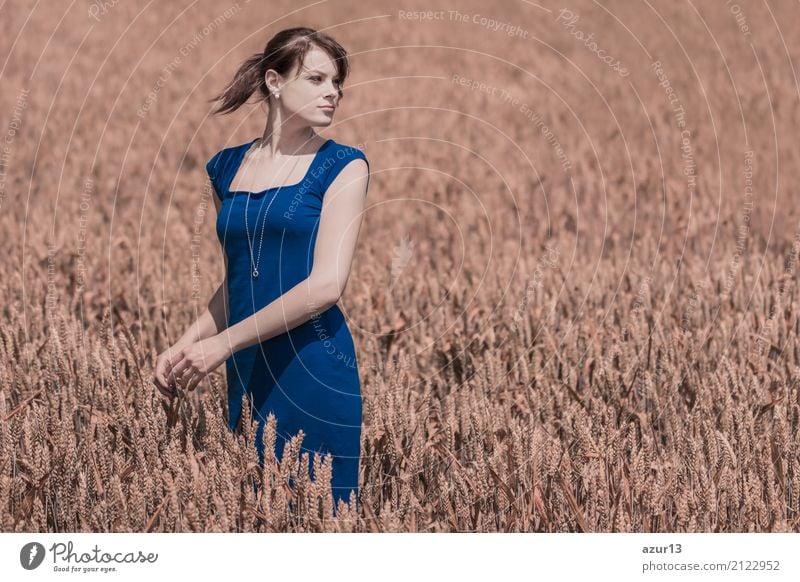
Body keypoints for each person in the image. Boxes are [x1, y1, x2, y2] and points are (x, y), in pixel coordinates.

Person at [152, 27, 370, 516]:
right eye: (316, 79)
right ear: (274, 81)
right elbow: (237, 281)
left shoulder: (344, 167)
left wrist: (222, 344)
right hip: (249, 372)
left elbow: (325, 286)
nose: (332, 91)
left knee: (324, 523)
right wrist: (188, 344)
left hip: (313, 364)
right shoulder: (224, 169)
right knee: (255, 517)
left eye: (336, 82)